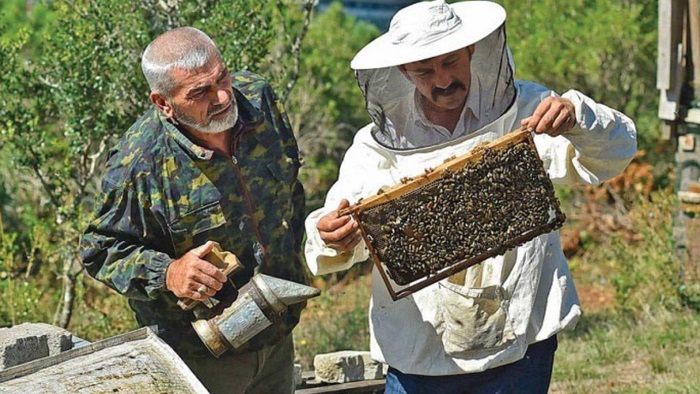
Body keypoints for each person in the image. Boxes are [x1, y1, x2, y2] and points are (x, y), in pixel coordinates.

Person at [304, 1, 637, 393]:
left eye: (450, 62)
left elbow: (613, 153)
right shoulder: (374, 149)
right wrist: (333, 237)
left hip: (520, 336)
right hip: (421, 350)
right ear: (403, 71)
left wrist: (578, 118)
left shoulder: (525, 108)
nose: (442, 80)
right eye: (424, 71)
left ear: (471, 51)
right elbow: (334, 237)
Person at [80, 27, 308, 394]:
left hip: (277, 334)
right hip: (201, 359)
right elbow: (99, 249)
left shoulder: (258, 100)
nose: (222, 97)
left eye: (222, 77)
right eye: (199, 92)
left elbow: (291, 190)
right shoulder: (138, 164)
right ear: (163, 103)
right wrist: (169, 272)